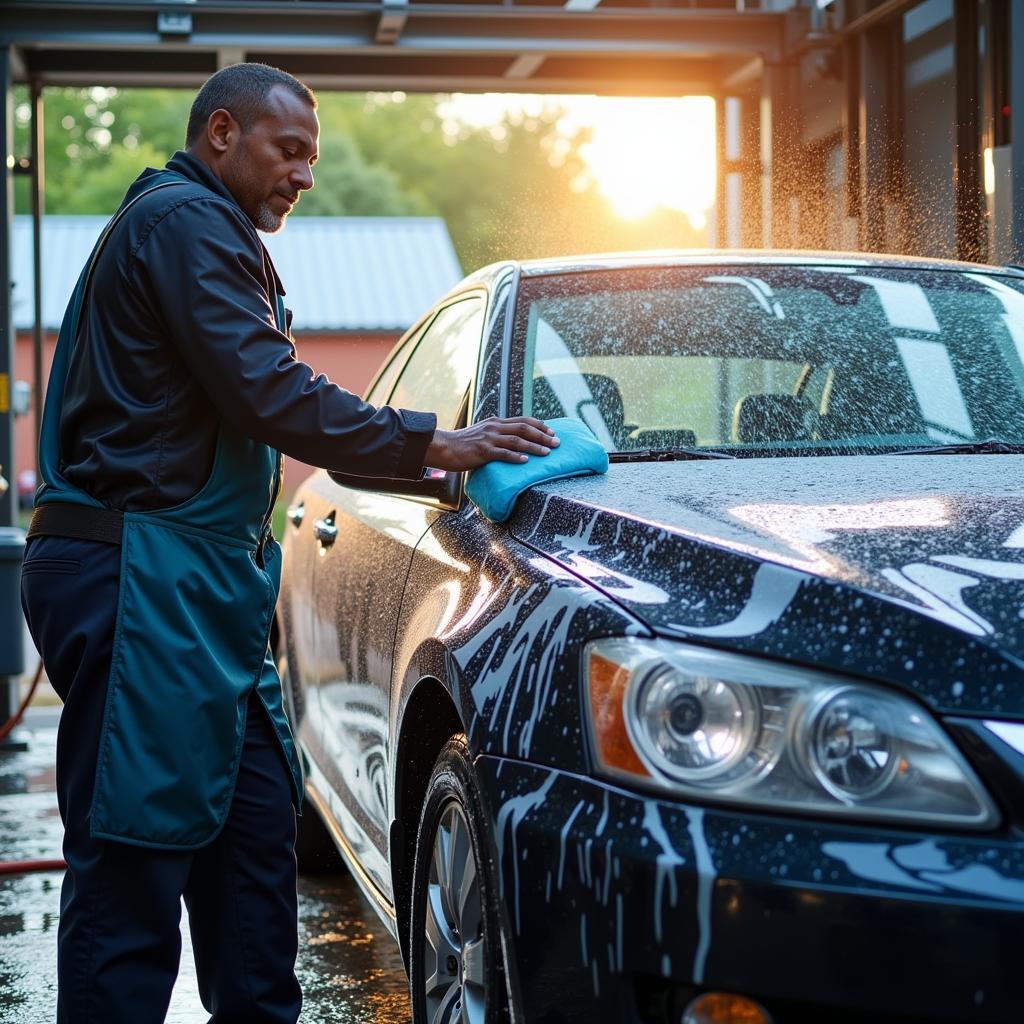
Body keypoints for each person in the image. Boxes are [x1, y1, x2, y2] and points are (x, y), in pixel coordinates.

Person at [20, 62, 557, 1024]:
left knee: (254, 843)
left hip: (204, 587)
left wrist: (442, 469)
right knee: (139, 862)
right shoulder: (183, 226)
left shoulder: (201, 229)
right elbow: (269, 391)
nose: (305, 174)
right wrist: (438, 439)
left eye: (312, 154)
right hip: (143, 575)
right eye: (289, 149)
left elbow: (260, 405)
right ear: (220, 133)